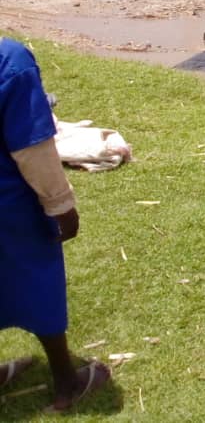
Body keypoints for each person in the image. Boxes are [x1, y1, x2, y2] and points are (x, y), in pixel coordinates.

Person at [0, 38, 110, 412]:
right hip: (9, 203)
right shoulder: (10, 60)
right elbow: (32, 147)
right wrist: (61, 205)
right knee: (38, 276)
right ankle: (68, 381)